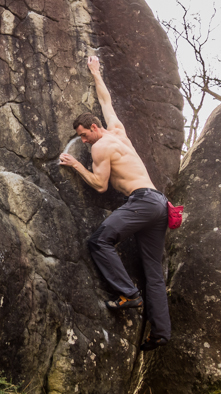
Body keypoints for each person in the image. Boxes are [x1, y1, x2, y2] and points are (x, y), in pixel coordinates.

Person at [58, 55, 170, 351]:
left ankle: (128, 294)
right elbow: (106, 101)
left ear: (93, 128)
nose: (82, 141)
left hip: (143, 202)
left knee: (99, 241)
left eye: (83, 135)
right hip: (159, 203)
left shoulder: (101, 147)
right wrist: (95, 72)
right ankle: (159, 333)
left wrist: (76, 166)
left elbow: (100, 184)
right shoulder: (118, 132)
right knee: (153, 271)